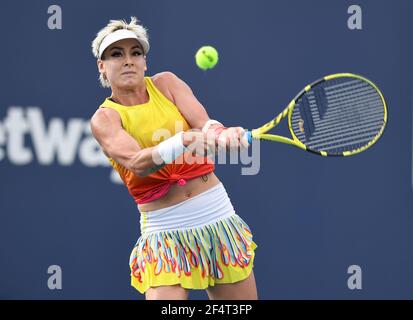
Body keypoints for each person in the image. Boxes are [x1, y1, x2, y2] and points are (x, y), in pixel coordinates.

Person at [90, 17, 258, 300]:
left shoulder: (166, 83)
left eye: (136, 53)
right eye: (116, 54)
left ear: (145, 62)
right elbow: (137, 162)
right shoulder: (104, 119)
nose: (128, 60)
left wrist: (223, 133)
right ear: (102, 67)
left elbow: (204, 124)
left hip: (217, 217)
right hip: (163, 232)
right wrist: (182, 140)